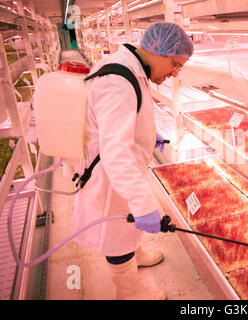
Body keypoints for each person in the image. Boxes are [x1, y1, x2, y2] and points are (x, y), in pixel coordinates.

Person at [72, 22, 194, 300]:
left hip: (117, 170)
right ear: (155, 48)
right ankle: (128, 291)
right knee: (117, 234)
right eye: (175, 64)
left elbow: (127, 115)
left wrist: (148, 133)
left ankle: (135, 255)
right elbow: (116, 152)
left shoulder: (130, 68)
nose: (175, 73)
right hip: (109, 175)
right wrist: (143, 205)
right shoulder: (118, 81)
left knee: (124, 228)